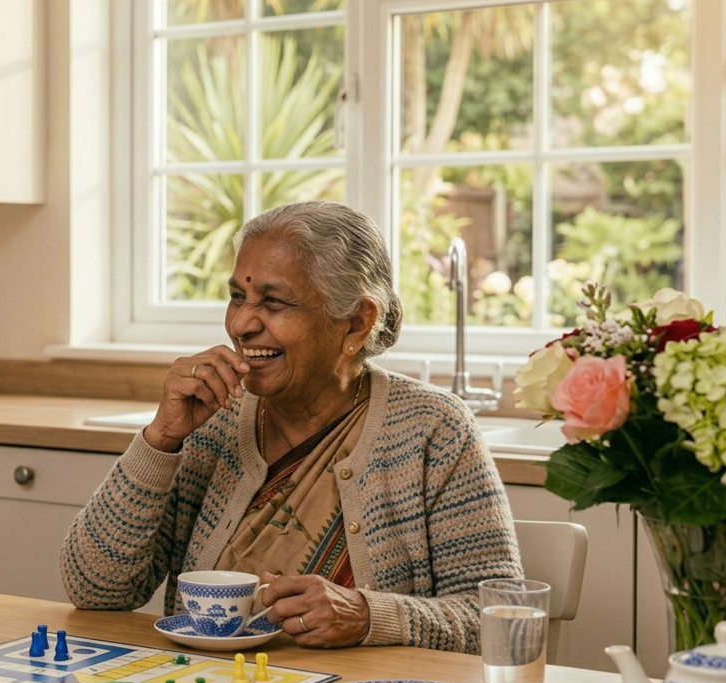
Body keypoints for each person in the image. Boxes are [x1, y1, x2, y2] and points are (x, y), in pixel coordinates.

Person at [60, 201, 521, 654]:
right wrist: (160, 438)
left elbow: (499, 616)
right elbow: (95, 591)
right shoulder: (211, 418)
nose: (240, 323)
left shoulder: (433, 430)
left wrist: (366, 615)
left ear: (357, 323)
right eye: (238, 297)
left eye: (273, 302)